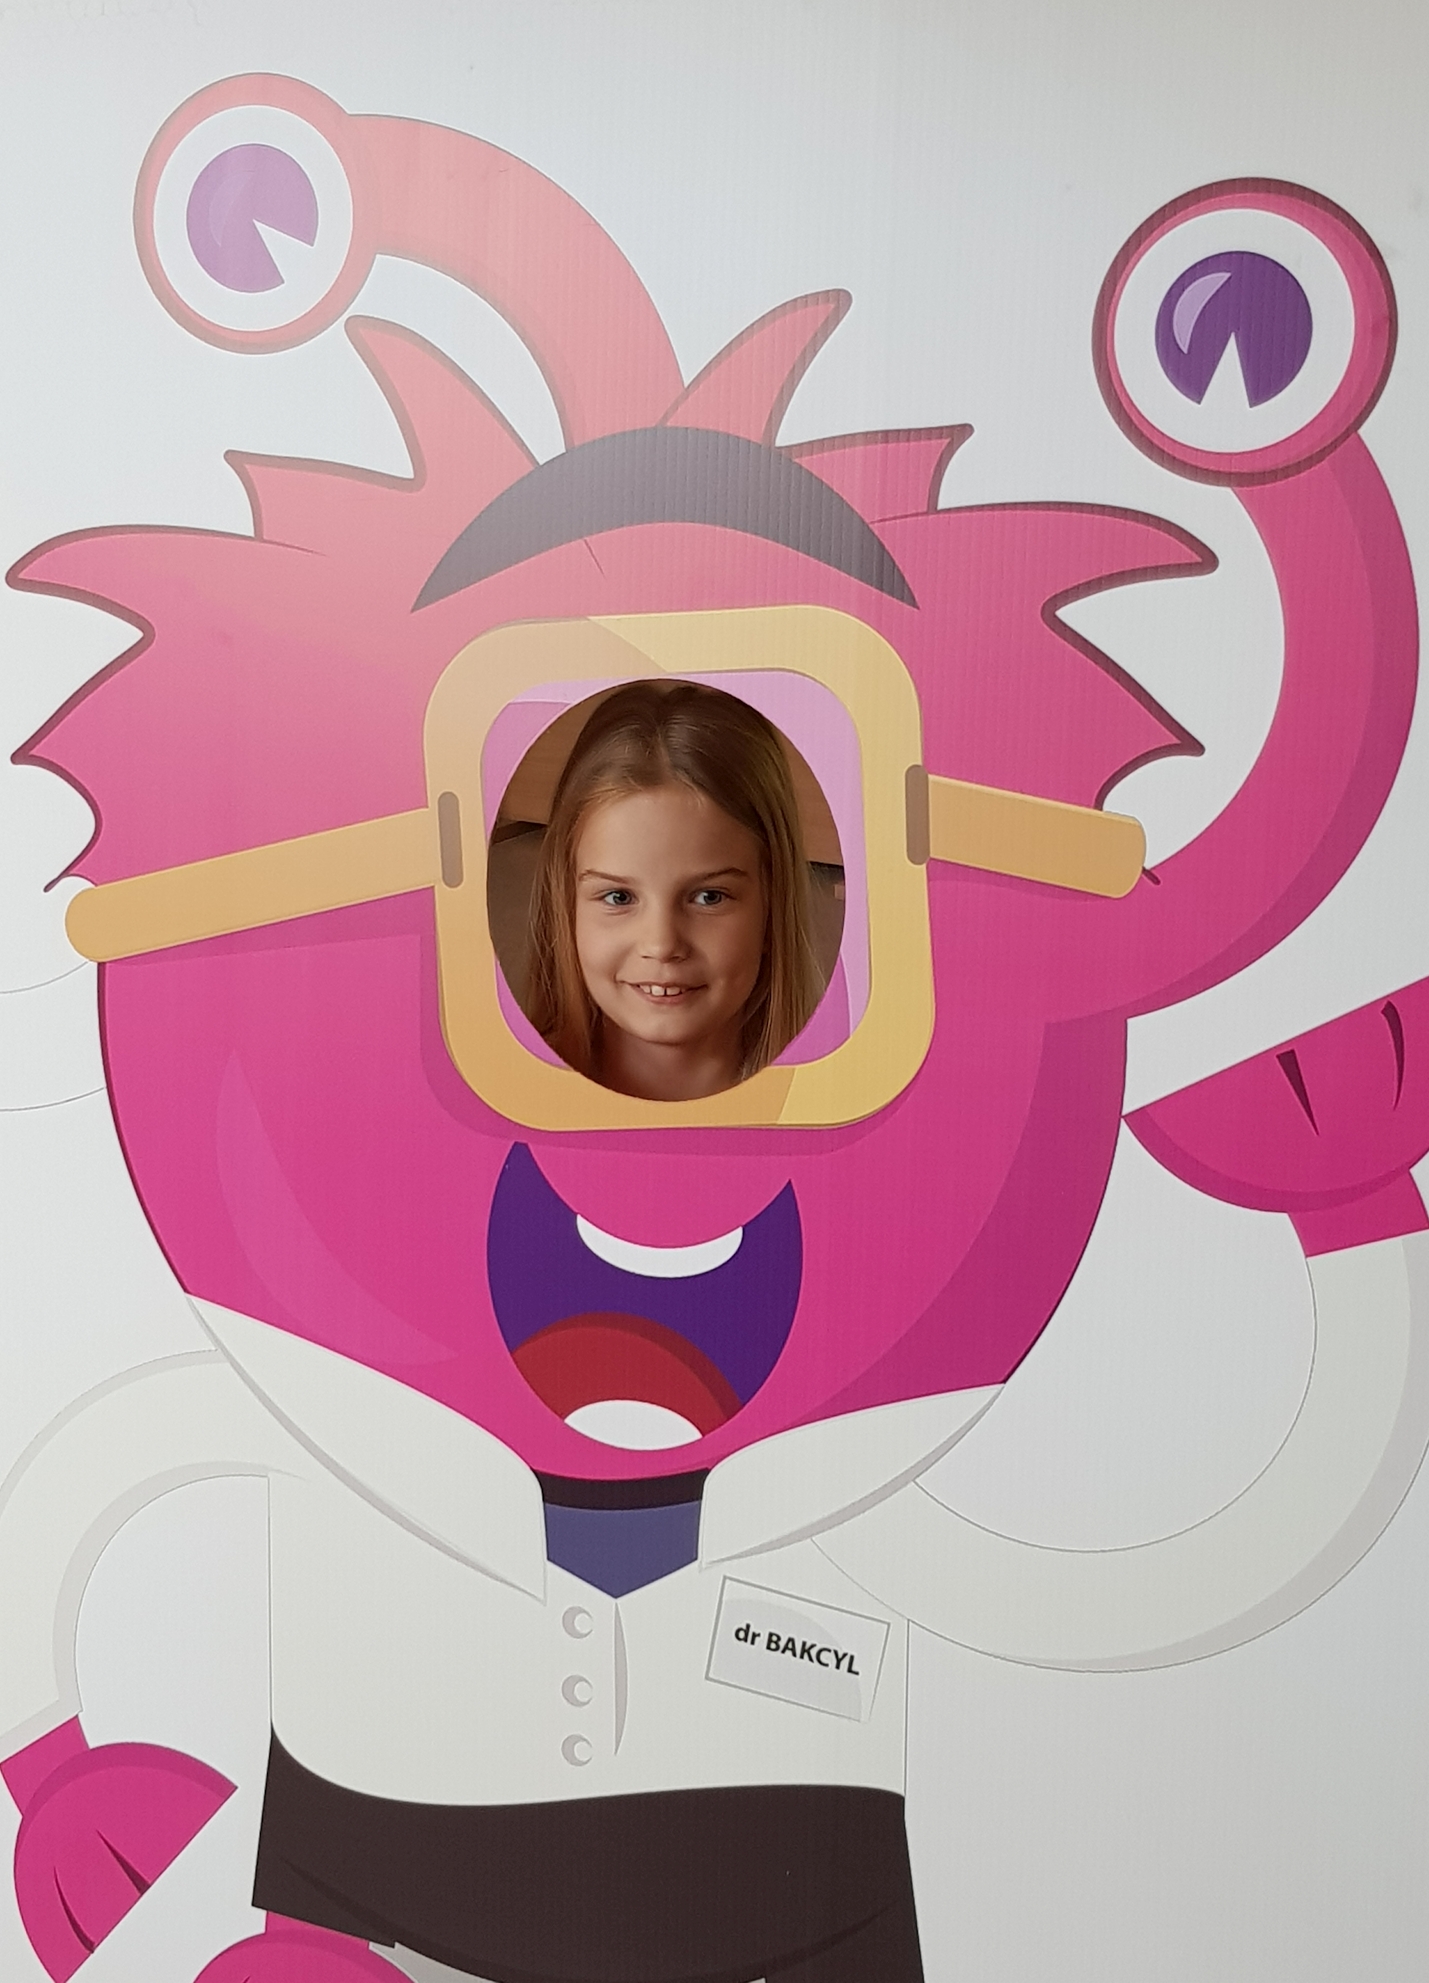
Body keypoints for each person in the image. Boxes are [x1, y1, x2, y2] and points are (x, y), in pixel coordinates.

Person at [524, 679, 823, 1099]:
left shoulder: (835, 1103)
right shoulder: (505, 1099)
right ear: (566, 905)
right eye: (618, 897)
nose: (662, 945)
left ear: (772, 903)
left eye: (708, 897)